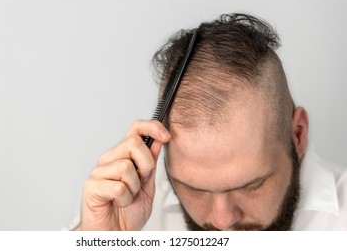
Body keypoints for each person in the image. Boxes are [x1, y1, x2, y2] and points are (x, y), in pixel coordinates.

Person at [72, 13, 347, 231]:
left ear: (297, 135)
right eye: (193, 188)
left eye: (251, 186)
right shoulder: (128, 212)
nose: (222, 220)